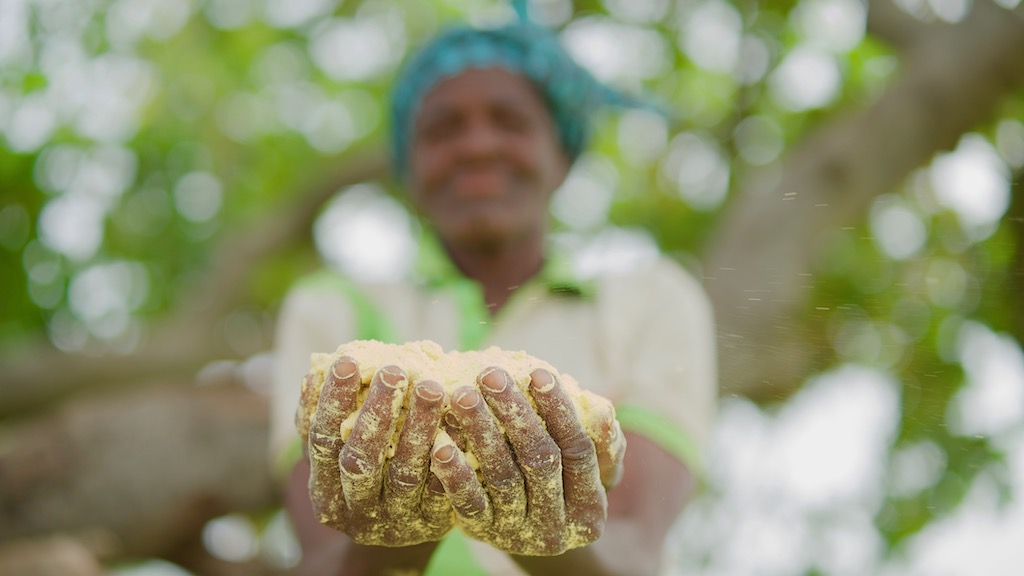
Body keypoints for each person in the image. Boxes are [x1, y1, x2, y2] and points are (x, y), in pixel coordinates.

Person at [269, 8, 717, 576]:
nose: (477, 145)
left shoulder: (652, 301)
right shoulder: (330, 309)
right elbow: (322, 557)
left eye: (510, 121)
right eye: (442, 129)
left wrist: (556, 538)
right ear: (410, 168)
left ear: (562, 155)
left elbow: (634, 546)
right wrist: (388, 543)